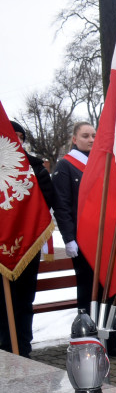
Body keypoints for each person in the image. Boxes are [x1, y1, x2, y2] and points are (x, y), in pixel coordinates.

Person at [50, 121, 116, 356]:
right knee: (87, 290)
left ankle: (110, 339)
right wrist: (69, 238)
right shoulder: (65, 167)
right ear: (74, 139)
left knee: (107, 290)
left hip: (104, 239)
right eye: (85, 136)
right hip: (82, 241)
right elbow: (62, 205)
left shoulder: (101, 164)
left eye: (93, 135)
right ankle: (87, 339)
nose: (91, 140)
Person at [0, 122, 56, 357]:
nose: (17, 140)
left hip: (26, 245)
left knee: (23, 302)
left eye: (20, 136)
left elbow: (48, 199)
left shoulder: (34, 167)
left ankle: (23, 347)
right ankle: (4, 347)